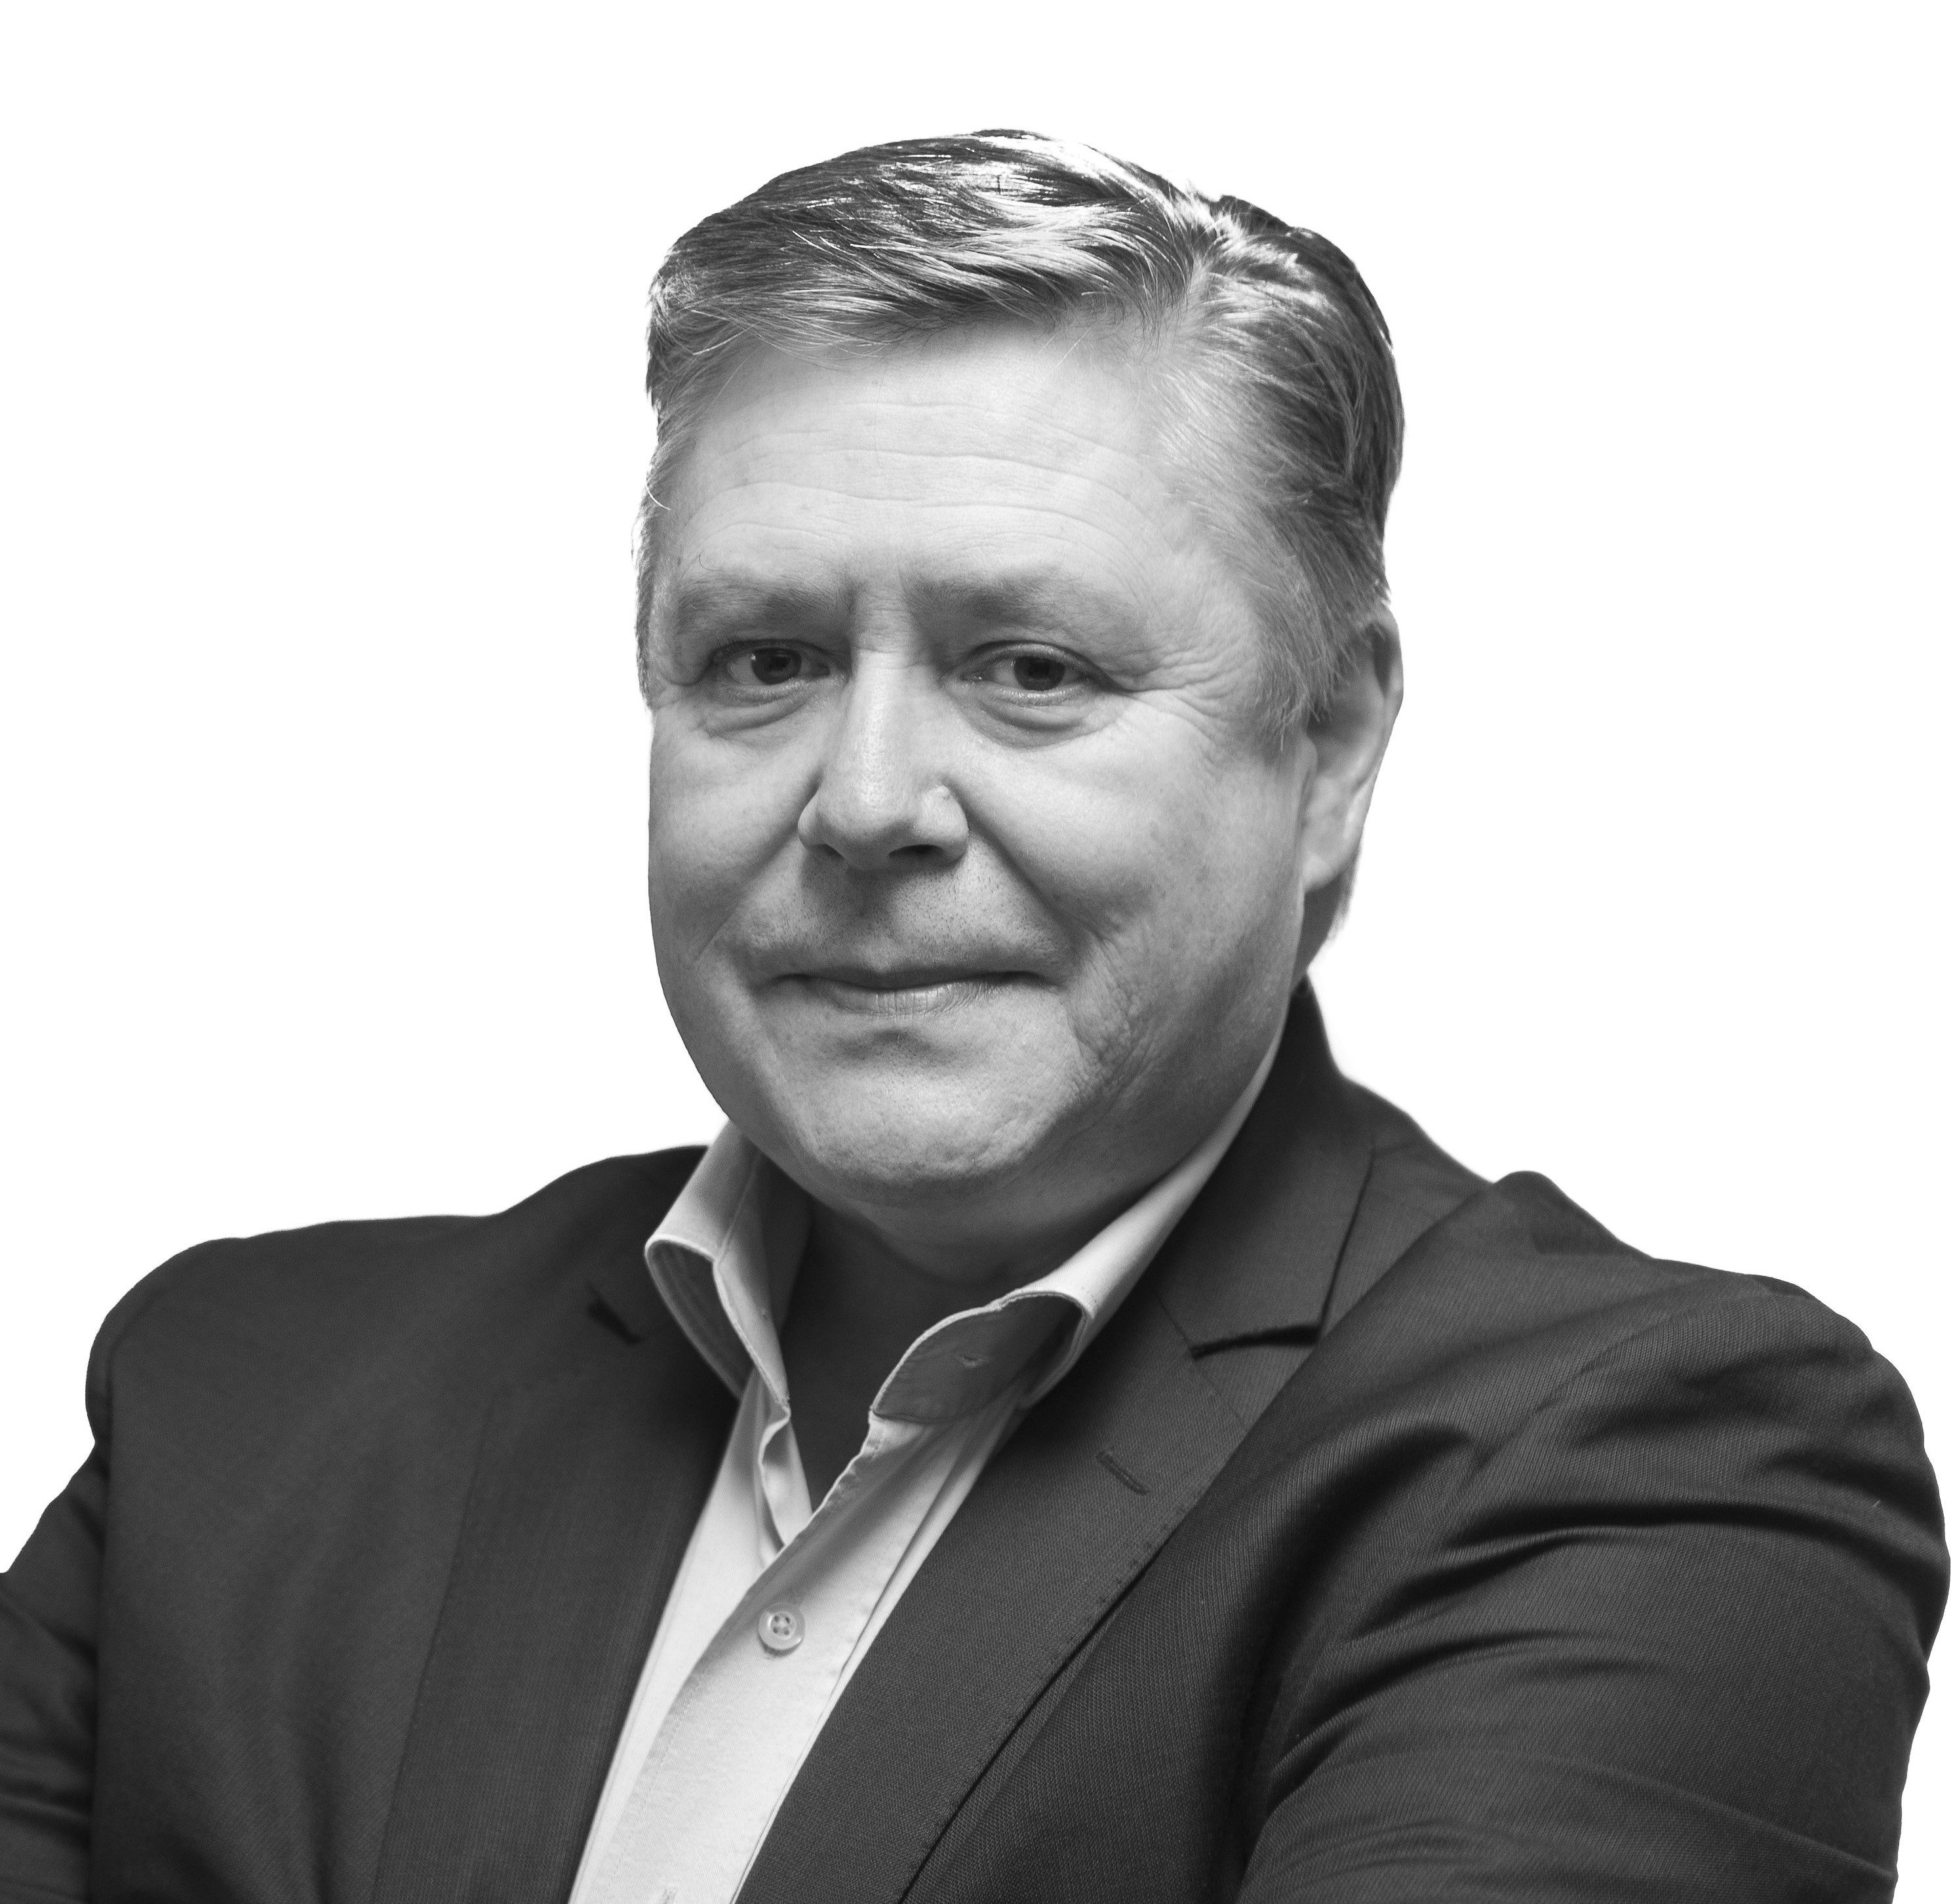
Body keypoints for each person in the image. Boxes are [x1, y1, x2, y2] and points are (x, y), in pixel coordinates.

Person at [1, 131, 1942, 1904]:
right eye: (762, 660)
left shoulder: (1645, 1468)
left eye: (1030, 668)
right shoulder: (232, 1404)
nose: (863, 803)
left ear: (1331, 746)